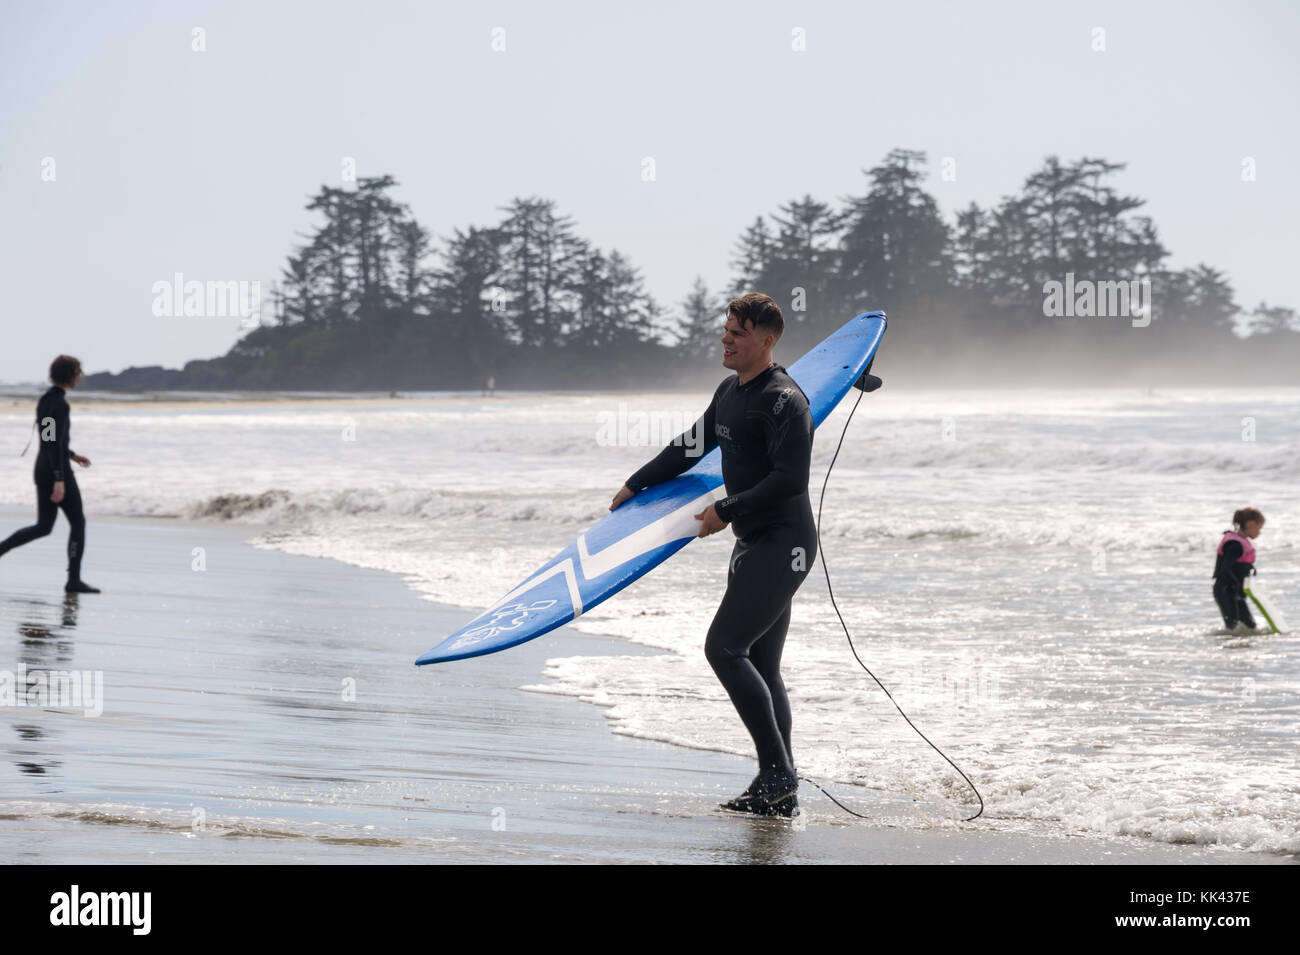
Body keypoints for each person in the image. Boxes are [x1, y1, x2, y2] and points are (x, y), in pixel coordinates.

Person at [610, 292, 815, 817]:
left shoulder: (785, 401)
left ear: (766, 342)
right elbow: (691, 445)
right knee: (763, 665)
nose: (726, 338)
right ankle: (779, 786)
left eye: (738, 332)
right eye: (726, 329)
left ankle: (778, 774)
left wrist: (726, 507)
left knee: (724, 648)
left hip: (784, 543)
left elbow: (790, 481)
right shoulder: (729, 392)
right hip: (752, 542)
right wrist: (638, 482)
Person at [0, 355, 100, 593]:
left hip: (43, 468)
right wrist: (59, 479)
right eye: (78, 372)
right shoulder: (61, 405)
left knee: (44, 526)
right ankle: (73, 580)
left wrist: (72, 454)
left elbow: (50, 440)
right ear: (70, 374)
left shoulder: (46, 400)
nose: (81, 376)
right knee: (78, 522)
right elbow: (52, 444)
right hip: (55, 471)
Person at [1213, 507, 1264, 633]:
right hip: (1227, 590)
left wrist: (1250, 569)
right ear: (1251, 524)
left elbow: (1238, 563)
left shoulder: (1238, 541)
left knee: (1249, 626)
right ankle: (1232, 649)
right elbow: (1226, 568)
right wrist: (1237, 584)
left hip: (1233, 590)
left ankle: (1240, 647)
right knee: (1233, 627)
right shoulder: (1235, 545)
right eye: (1259, 528)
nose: (1259, 532)